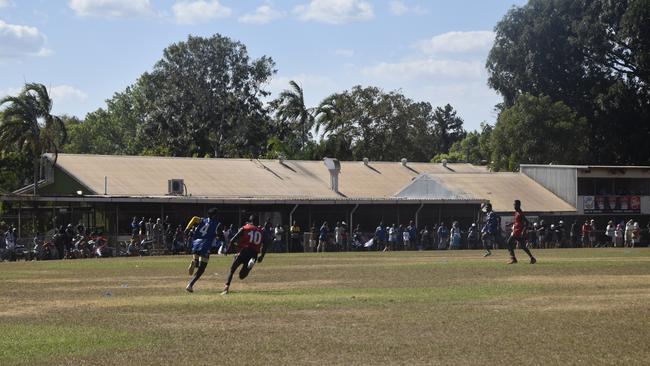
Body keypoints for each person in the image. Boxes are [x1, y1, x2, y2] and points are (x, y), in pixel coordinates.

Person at [222, 215, 266, 295]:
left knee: (232, 269)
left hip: (244, 251)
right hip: (254, 254)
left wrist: (228, 250)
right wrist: (262, 256)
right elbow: (265, 244)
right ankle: (250, 265)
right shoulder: (261, 231)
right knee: (241, 276)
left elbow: (232, 240)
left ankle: (226, 288)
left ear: (250, 221)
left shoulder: (245, 228)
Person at [184, 208, 222, 293]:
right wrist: (219, 237)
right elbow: (220, 235)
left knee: (196, 260)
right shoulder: (217, 224)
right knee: (202, 268)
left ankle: (194, 261)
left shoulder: (202, 220)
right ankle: (190, 285)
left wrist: (187, 229)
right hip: (205, 246)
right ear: (214, 215)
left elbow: (194, 218)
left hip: (196, 244)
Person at [506, 200, 536, 264]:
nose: (514, 206)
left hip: (518, 231)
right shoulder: (516, 212)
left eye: (515, 204)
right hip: (516, 230)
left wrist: (523, 231)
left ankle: (513, 258)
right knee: (523, 246)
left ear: (519, 205)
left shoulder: (520, 213)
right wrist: (510, 224)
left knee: (508, 242)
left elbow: (527, 223)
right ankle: (532, 258)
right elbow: (517, 221)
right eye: (514, 204)